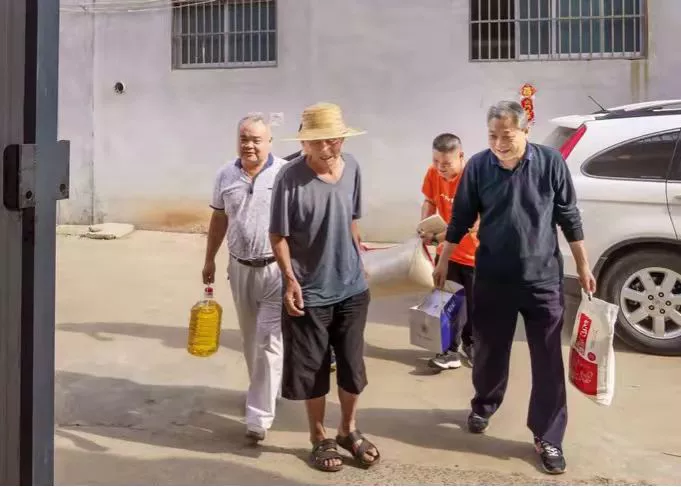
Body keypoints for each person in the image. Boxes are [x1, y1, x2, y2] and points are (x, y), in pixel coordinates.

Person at [433, 101, 596, 475]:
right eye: (492, 136)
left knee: (548, 360)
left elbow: (568, 214)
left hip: (543, 280)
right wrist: (444, 259)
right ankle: (484, 404)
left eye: (506, 136)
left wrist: (583, 264)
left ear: (526, 131)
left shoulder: (550, 163)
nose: (499, 144)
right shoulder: (478, 166)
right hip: (494, 278)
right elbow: (461, 216)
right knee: (489, 351)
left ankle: (548, 436)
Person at [269, 102, 380, 473]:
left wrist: (361, 261)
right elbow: (278, 235)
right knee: (313, 368)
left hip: (351, 288)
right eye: (319, 141)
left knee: (352, 366)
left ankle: (348, 429)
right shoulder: (289, 178)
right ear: (305, 143)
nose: (328, 147)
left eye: (334, 139)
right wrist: (290, 280)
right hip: (309, 292)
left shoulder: (353, 168)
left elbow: (351, 220)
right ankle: (319, 437)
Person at [202, 114, 286, 443]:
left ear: (269, 142)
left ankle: (258, 417)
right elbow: (219, 219)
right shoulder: (225, 174)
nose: (249, 145)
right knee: (251, 338)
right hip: (239, 267)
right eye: (244, 138)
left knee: (268, 340)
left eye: (256, 140)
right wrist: (209, 258)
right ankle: (264, 390)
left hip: (276, 269)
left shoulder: (284, 174)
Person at [418, 133, 478, 371]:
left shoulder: (474, 177)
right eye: (435, 161)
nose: (440, 167)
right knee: (448, 302)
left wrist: (437, 238)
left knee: (473, 306)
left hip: (475, 256)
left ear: (461, 156)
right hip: (447, 255)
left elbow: (472, 224)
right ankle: (449, 351)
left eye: (446, 163)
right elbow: (430, 201)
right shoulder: (433, 173)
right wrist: (424, 226)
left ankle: (472, 345)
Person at [283, 126, 337, 373]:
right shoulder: (286, 170)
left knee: (333, 304)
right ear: (302, 141)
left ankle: (330, 351)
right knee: (306, 306)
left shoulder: (340, 166)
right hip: (301, 254)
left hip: (332, 251)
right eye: (313, 139)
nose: (321, 146)